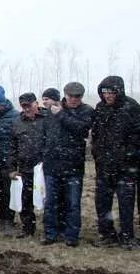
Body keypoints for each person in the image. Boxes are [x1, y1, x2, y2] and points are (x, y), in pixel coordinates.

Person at [41, 81, 94, 247]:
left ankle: (71, 236)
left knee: (73, 204)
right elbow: (45, 135)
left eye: (77, 96)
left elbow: (81, 128)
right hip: (52, 165)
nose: (73, 99)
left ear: (81, 97)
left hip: (73, 166)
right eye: (70, 96)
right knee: (50, 203)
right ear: (65, 95)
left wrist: (61, 114)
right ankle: (51, 233)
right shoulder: (51, 111)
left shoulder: (86, 111)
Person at [90, 75, 140, 249]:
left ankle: (127, 237)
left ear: (119, 91)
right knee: (102, 202)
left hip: (125, 168)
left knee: (126, 204)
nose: (108, 96)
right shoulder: (100, 108)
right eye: (104, 92)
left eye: (111, 92)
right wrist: (97, 154)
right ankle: (107, 235)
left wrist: (127, 156)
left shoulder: (132, 108)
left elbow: (137, 136)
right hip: (104, 166)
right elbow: (95, 135)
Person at [9, 92, 46, 238]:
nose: (26, 109)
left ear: (36, 103)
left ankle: (50, 230)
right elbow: (12, 147)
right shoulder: (17, 122)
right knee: (25, 199)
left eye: (29, 105)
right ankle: (27, 228)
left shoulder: (47, 119)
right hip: (25, 168)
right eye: (23, 106)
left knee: (48, 199)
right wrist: (12, 168)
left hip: (44, 168)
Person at [0, 86, 18, 235]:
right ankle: (2, 219)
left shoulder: (14, 117)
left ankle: (9, 220)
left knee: (8, 193)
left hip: (8, 162)